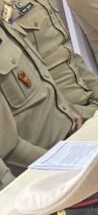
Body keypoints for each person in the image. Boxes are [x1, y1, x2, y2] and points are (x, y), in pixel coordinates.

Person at [0, 19, 82, 186]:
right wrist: (61, 163)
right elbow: (8, 148)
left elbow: (41, 75)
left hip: (71, 140)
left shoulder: (4, 19)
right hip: (43, 169)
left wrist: (68, 110)